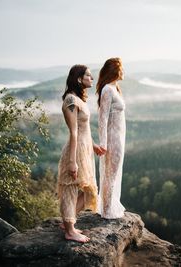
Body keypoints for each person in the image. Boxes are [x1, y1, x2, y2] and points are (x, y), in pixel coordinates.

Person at [57, 64, 104, 243]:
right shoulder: (70, 100)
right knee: (71, 188)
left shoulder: (79, 100)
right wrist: (72, 162)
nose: (92, 79)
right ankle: (69, 231)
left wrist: (94, 146)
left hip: (85, 150)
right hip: (75, 151)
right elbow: (74, 132)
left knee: (90, 190)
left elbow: (84, 130)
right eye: (89, 76)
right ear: (79, 79)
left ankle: (68, 223)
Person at [96, 57, 126, 219]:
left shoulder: (114, 88)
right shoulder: (108, 89)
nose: (123, 72)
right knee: (110, 175)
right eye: (121, 69)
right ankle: (107, 211)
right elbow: (102, 118)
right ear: (115, 71)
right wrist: (103, 142)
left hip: (118, 137)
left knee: (113, 173)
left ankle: (109, 207)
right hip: (113, 139)